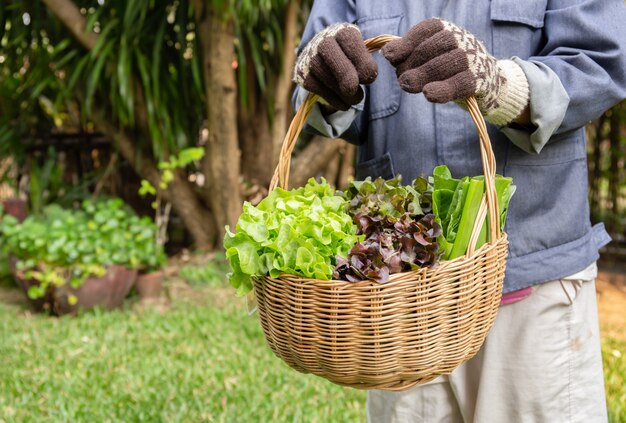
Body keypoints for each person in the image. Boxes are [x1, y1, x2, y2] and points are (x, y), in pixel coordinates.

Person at [292, 1, 626, 422]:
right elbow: (313, 85)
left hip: (530, 279)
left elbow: (602, 61)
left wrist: (502, 85)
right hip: (400, 300)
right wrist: (322, 77)